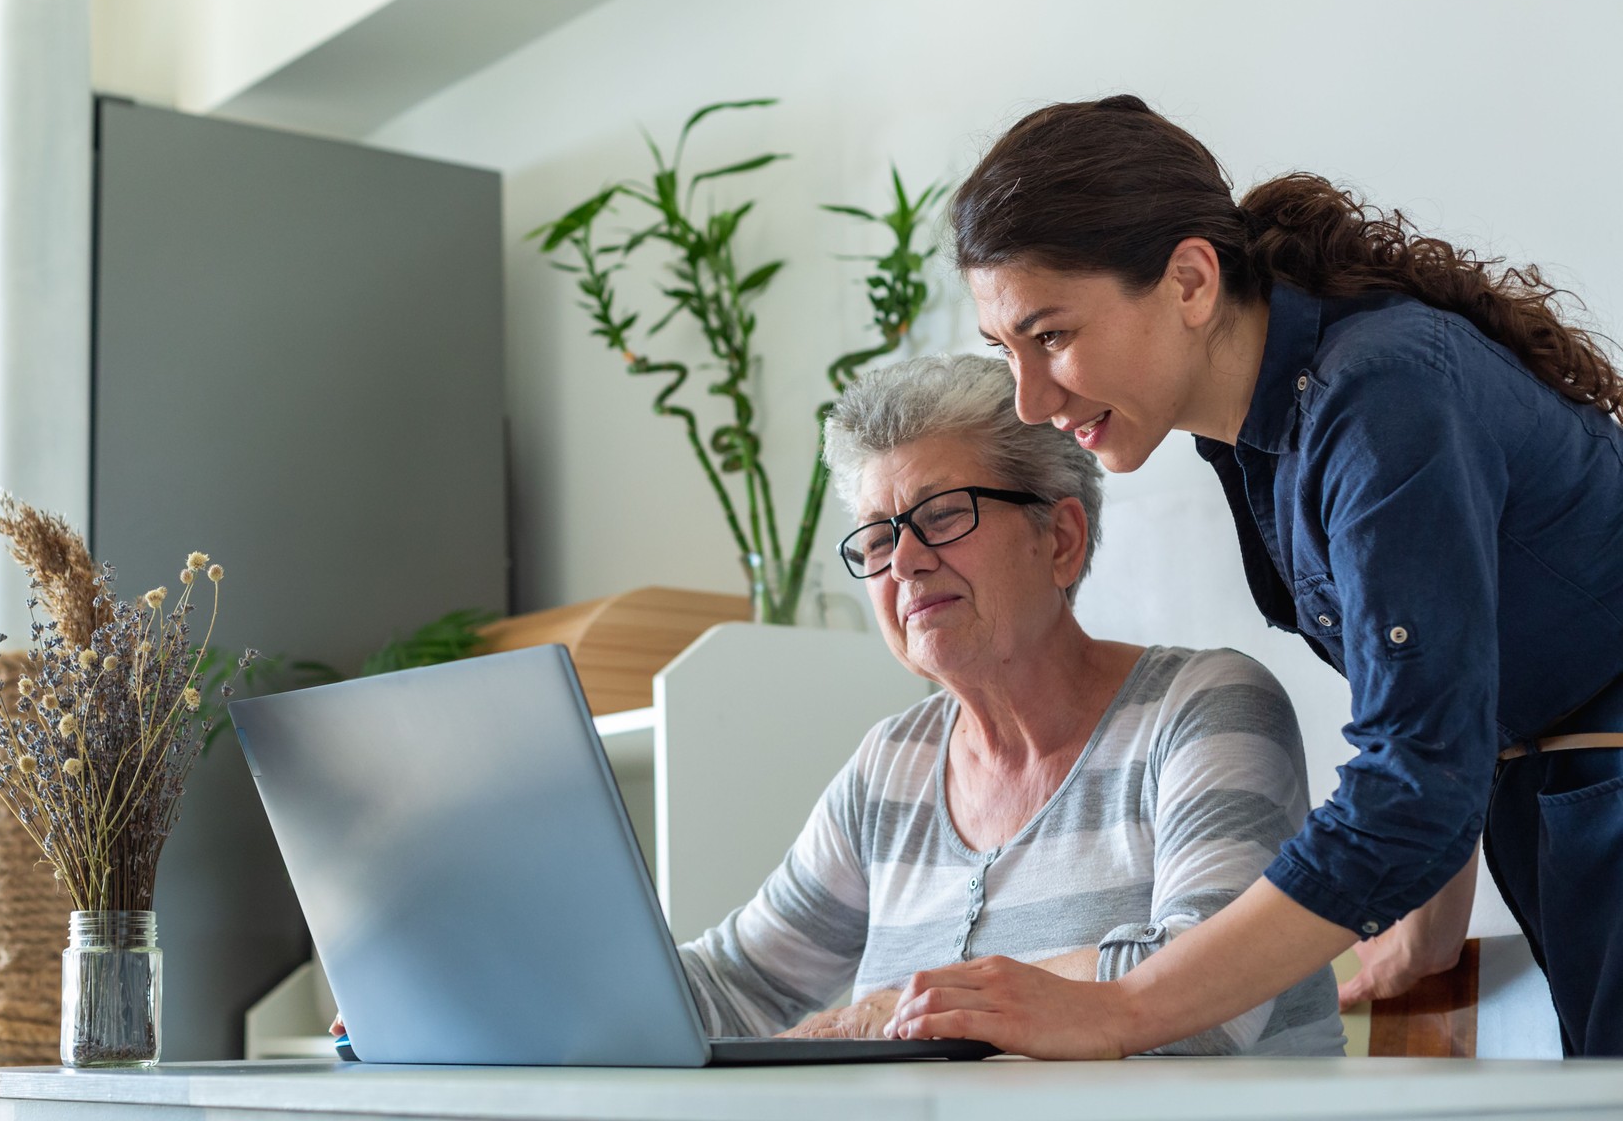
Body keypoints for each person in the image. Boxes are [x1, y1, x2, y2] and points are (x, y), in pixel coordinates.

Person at [890, 94, 1623, 1058]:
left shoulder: (1381, 400)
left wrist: (1124, 1008)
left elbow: (1414, 776)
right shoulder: (1258, 437)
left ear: (1191, 280)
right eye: (1007, 352)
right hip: (1564, 806)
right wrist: (1433, 915)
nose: (1030, 400)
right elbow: (1440, 685)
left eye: (1053, 336)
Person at [674, 353, 1344, 1054]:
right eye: (877, 537)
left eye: (942, 516)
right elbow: (736, 986)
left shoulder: (1201, 710)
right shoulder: (892, 768)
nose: (903, 561)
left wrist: (903, 1006)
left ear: (1059, 540)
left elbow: (1207, 997)